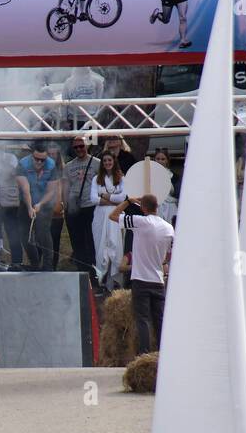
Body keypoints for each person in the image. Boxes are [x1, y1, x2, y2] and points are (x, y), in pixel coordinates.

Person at [110, 194, 174, 354]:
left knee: (143, 320)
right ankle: (162, 353)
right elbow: (168, 255)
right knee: (159, 320)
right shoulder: (168, 228)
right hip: (158, 280)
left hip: (140, 279)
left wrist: (128, 201)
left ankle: (144, 354)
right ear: (157, 207)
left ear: (143, 207)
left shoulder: (140, 222)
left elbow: (113, 216)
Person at [61, 136, 99, 283]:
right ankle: (82, 273)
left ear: (87, 146)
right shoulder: (69, 166)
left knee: (91, 241)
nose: (79, 149)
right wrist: (65, 205)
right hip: (74, 207)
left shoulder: (97, 163)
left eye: (81, 146)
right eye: (76, 147)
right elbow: (65, 187)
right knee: (77, 242)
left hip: (91, 205)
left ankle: (93, 274)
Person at [16, 144, 59, 271]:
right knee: (24, 233)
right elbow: (25, 189)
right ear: (31, 155)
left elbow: (51, 190)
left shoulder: (51, 166)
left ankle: (47, 266)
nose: (39, 162)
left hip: (44, 203)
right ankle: (34, 263)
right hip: (26, 202)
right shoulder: (22, 165)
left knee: (43, 233)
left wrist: (40, 204)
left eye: (43, 160)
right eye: (36, 159)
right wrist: (30, 207)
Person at [91, 148, 127, 292]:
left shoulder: (121, 178)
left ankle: (115, 284)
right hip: (100, 216)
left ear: (114, 162)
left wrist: (104, 195)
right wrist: (113, 200)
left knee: (116, 246)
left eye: (109, 160)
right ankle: (103, 284)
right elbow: (93, 199)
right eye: (105, 161)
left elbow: (123, 198)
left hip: (116, 216)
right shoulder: (96, 179)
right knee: (101, 249)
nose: (107, 163)